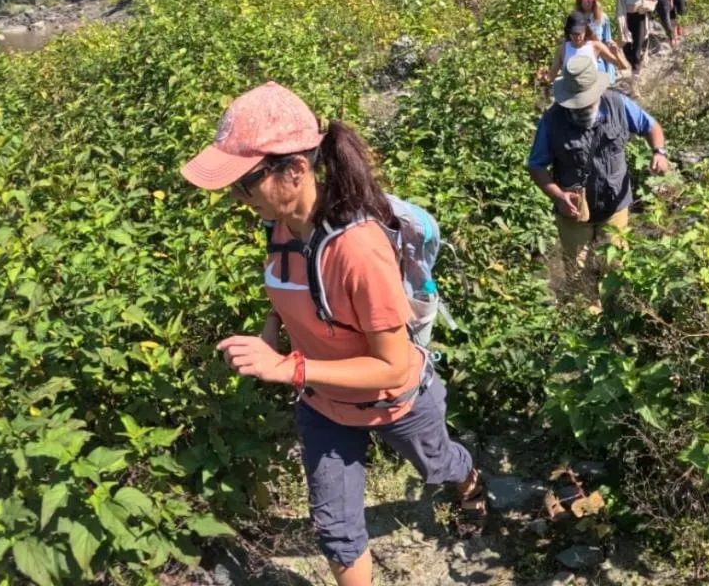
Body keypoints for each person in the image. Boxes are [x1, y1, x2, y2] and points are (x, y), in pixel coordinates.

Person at [181, 82, 484, 585]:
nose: (236, 197)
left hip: (395, 401)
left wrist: (287, 368)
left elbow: (392, 365)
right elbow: (288, 296)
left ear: (295, 170)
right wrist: (271, 335)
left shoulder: (357, 250)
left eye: (245, 183)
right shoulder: (279, 226)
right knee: (336, 529)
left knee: (439, 466)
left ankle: (470, 485)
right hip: (323, 404)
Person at [527, 55, 669, 298]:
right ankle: (585, 319)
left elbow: (651, 126)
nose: (581, 107)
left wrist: (659, 152)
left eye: (585, 101)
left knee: (614, 268)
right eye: (575, 103)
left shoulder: (618, 105)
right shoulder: (552, 121)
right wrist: (559, 196)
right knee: (577, 276)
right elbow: (536, 166)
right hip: (573, 212)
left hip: (615, 205)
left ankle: (613, 320)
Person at [547, 9, 623, 85]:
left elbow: (621, 66)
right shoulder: (562, 49)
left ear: (586, 31)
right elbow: (552, 75)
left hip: (592, 91)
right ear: (569, 32)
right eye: (574, 33)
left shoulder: (596, 46)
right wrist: (544, 79)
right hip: (570, 93)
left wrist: (617, 54)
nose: (578, 37)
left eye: (580, 33)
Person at [615, 0, 657, 74]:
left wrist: (646, 6)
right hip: (626, 19)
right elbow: (619, 7)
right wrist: (619, 24)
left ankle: (635, 77)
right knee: (627, 49)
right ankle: (636, 68)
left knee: (637, 50)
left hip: (640, 18)